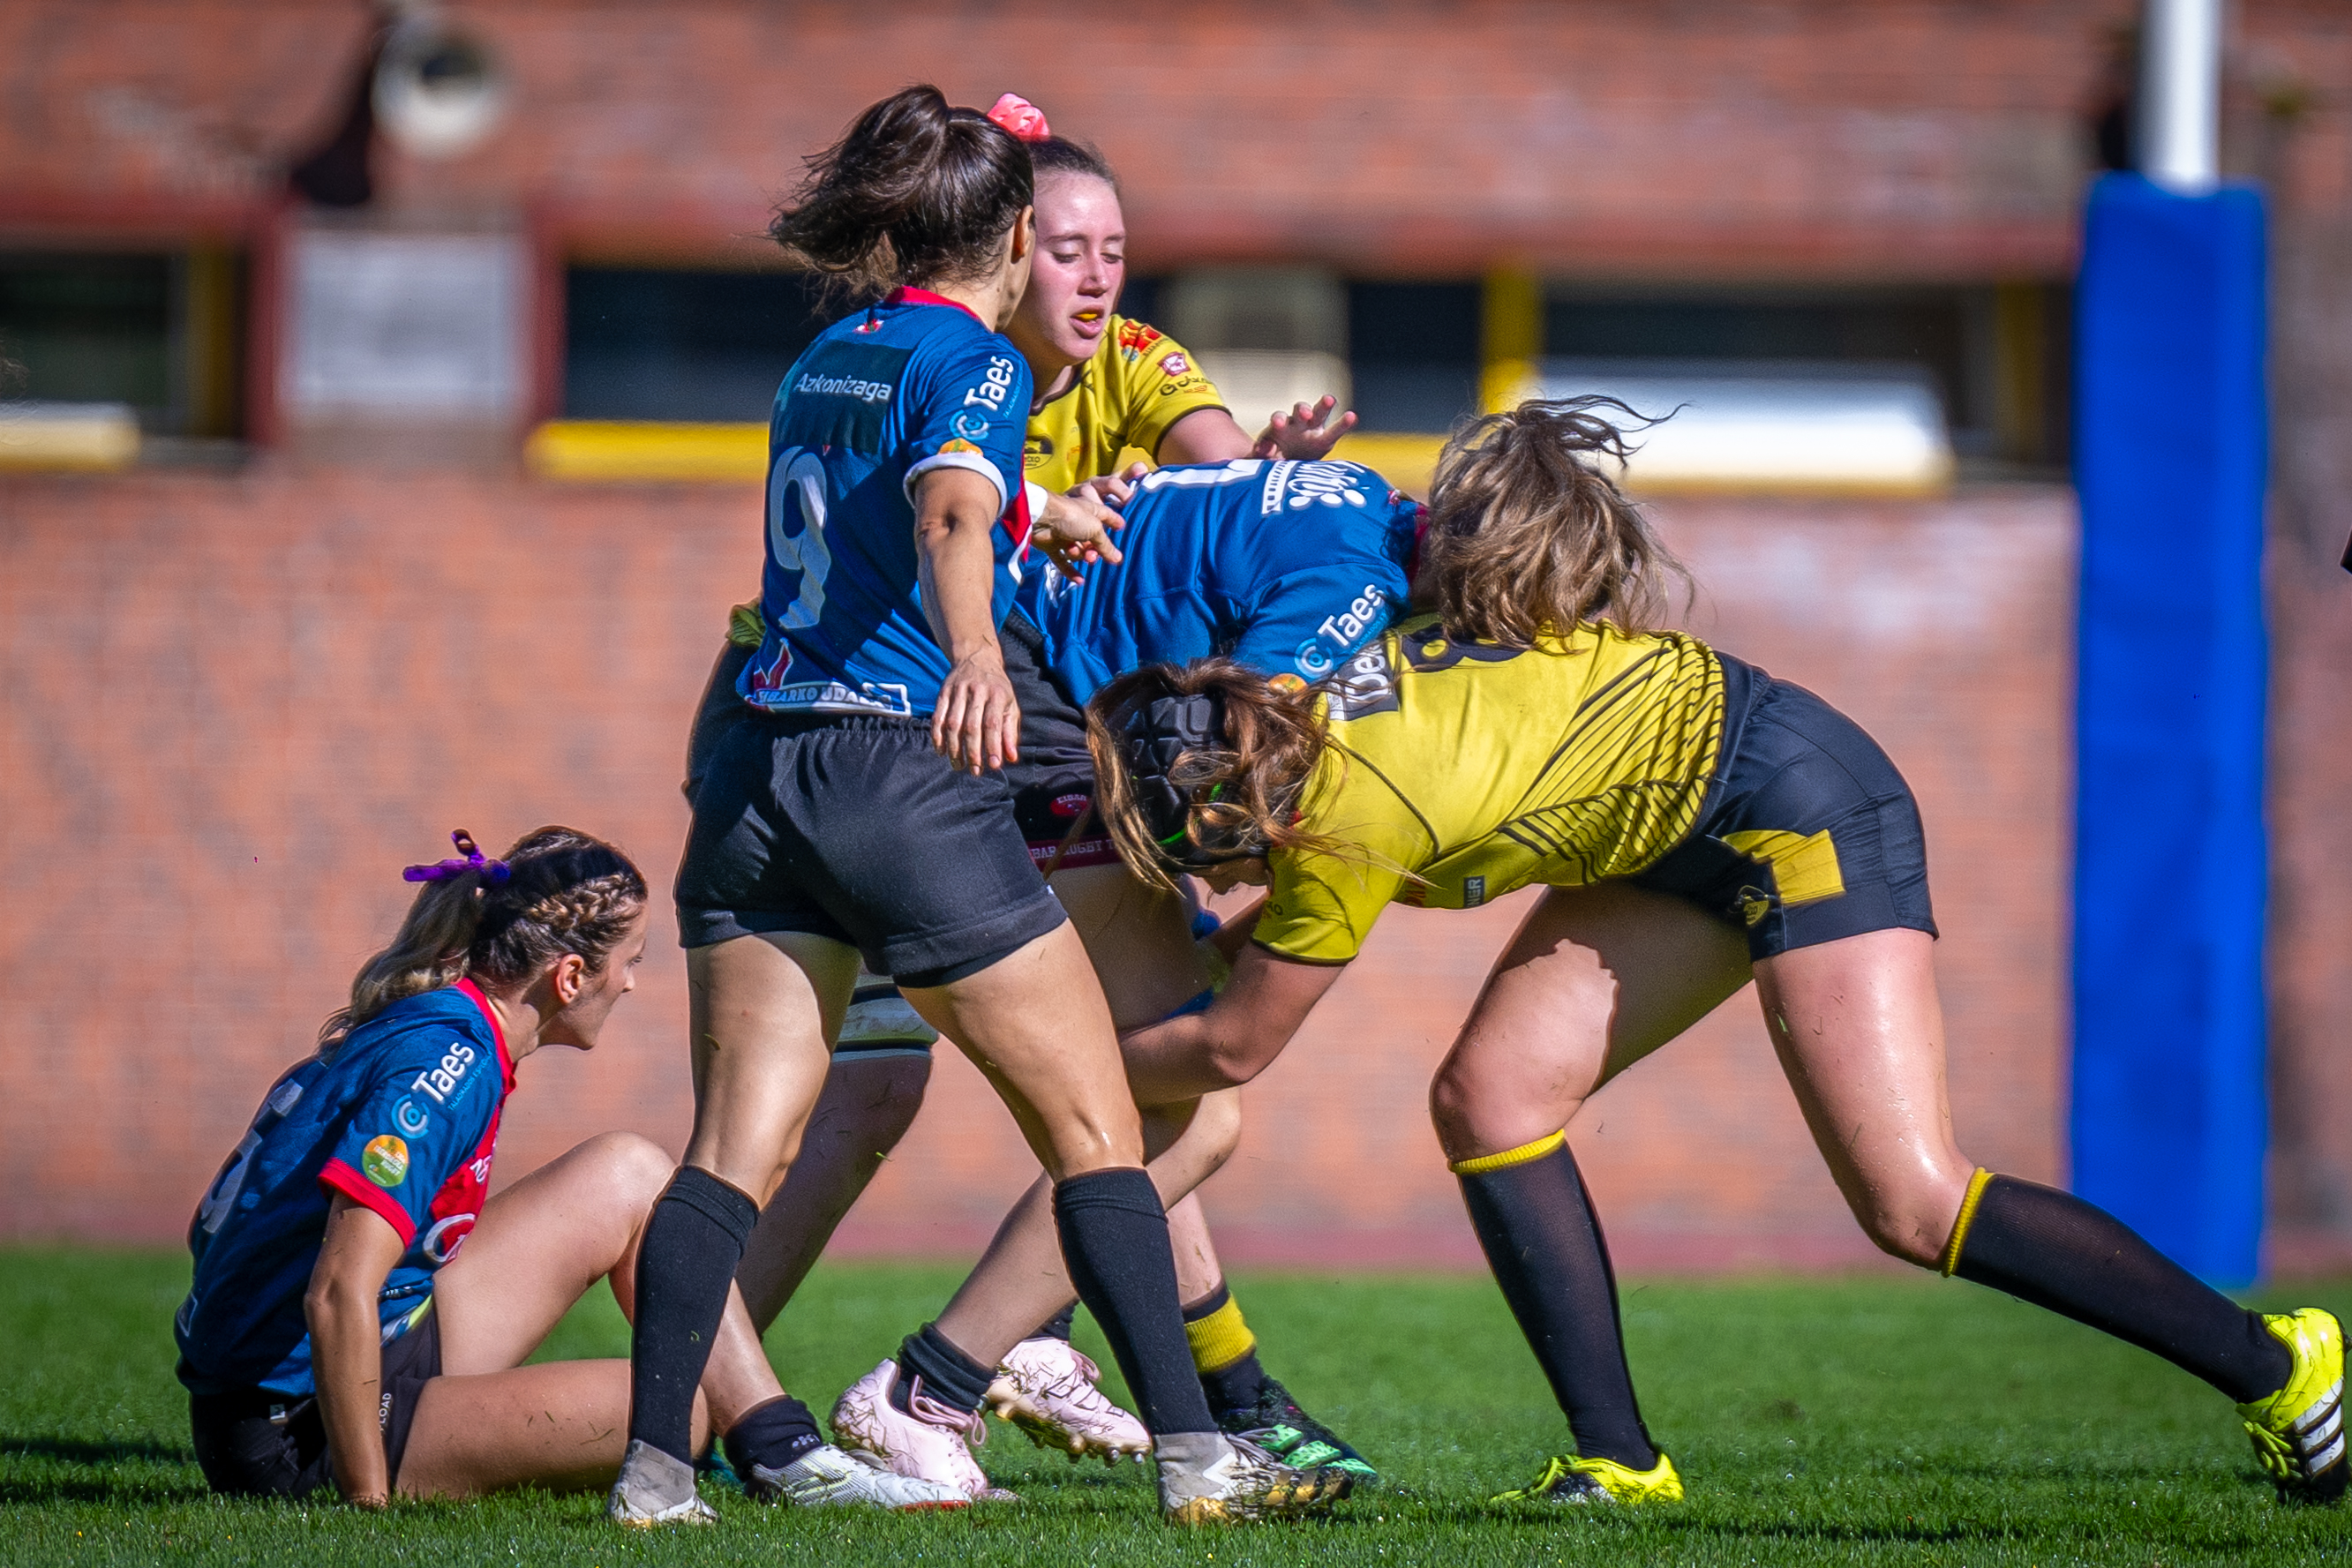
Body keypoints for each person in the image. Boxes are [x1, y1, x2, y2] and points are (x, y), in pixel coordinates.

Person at [1077, 398, 2348, 1510]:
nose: (1202, 879)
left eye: (1188, 850)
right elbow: (1264, 965)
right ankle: (1620, 1461)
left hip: (1796, 800)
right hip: (1670, 831)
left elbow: (1238, 1039)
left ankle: (2281, 1361)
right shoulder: (1314, 729)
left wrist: (1062, 1067)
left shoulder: (1348, 816)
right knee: (1492, 1097)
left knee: (1913, 1201)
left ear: (1234, 801)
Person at [638, 85, 1351, 1527]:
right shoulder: (978, 359)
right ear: (1017, 236)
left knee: (740, 1144)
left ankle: (656, 1471)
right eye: (1061, 241)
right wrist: (976, 646)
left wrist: (1055, 512)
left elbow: (922, 499)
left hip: (758, 772)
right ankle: (1195, 1454)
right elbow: (952, 505)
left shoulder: (832, 352)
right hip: (895, 777)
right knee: (1109, 1125)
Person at [174, 828, 963, 1518]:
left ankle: (779, 1447)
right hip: (296, 1420)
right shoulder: (447, 1066)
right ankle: (737, 1449)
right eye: (628, 963)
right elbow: (337, 1287)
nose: (629, 983)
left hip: (370, 1343)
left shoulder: (455, 1026)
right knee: (671, 1419)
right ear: (569, 977)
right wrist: (365, 1499)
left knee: (632, 1171)